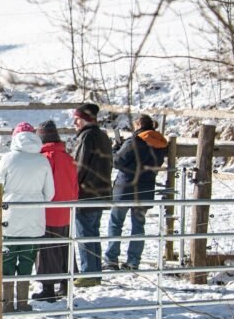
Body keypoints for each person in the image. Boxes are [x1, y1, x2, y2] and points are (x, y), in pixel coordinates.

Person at [0, 122, 54, 313]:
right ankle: (22, 302)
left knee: (8, 259)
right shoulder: (42, 160)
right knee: (27, 260)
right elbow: (50, 193)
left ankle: (7, 302)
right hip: (34, 219)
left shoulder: (8, 159)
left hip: (10, 217)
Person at [104, 114, 168, 271]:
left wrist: (115, 149)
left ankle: (111, 259)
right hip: (146, 188)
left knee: (116, 222)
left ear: (138, 124)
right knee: (138, 225)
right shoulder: (160, 143)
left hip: (125, 188)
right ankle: (133, 261)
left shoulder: (134, 141)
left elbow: (117, 161)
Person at [33, 120, 79, 303]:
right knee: (65, 247)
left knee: (47, 250)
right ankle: (66, 285)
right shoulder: (67, 157)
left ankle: (48, 288)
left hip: (49, 209)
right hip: (67, 209)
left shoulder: (45, 158)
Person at [71, 102, 113, 287]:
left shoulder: (87, 137)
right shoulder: (103, 136)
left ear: (85, 119)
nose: (75, 123)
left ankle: (89, 272)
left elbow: (80, 166)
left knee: (85, 233)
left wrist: (72, 186)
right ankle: (95, 272)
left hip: (87, 192)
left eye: (77, 119)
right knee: (93, 232)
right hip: (101, 190)